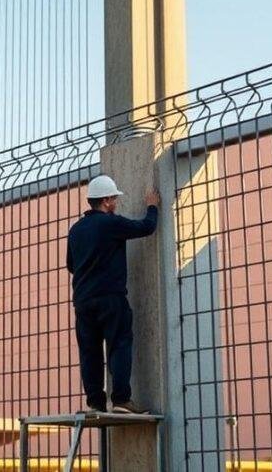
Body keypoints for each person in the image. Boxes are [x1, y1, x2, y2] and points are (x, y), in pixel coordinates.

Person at [65, 174, 160, 414]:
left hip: (83, 301)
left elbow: (71, 265)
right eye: (114, 199)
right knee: (119, 344)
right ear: (106, 200)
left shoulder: (75, 230)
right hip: (110, 297)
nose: (116, 203)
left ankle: (95, 403)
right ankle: (121, 400)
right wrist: (152, 206)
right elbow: (146, 227)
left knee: (90, 352)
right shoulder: (110, 223)